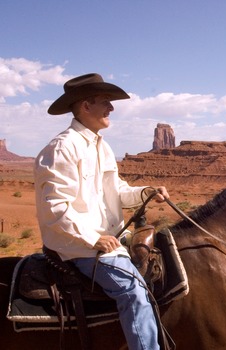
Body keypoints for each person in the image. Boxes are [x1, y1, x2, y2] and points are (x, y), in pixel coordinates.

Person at [34, 73, 168, 350]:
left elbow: (116, 190)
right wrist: (92, 238)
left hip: (108, 241)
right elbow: (55, 206)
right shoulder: (62, 148)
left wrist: (147, 192)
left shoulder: (101, 146)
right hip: (79, 248)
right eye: (105, 102)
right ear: (85, 105)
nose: (112, 108)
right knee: (133, 291)